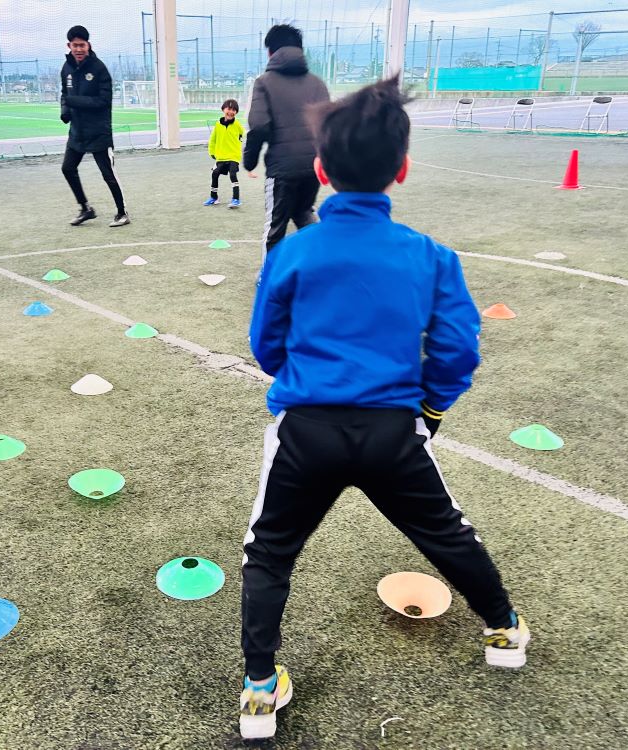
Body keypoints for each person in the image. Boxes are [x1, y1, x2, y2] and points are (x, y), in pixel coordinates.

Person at [238, 77, 530, 741]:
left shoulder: (292, 250)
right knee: (446, 532)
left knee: (269, 553)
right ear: (402, 169)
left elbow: (265, 345)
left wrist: (308, 378)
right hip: (394, 432)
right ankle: (504, 631)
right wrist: (431, 407)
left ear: (320, 170)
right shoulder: (431, 256)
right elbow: (457, 348)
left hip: (305, 432)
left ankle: (259, 691)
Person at [242, 24, 329, 262]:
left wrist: (249, 161)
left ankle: (270, 276)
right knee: (304, 212)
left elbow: (259, 126)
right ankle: (322, 266)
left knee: (276, 225)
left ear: (271, 52)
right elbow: (328, 125)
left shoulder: (264, 82)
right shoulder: (317, 83)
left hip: (282, 168)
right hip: (313, 166)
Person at [59, 25, 129, 227]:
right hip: (77, 132)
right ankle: (85, 209)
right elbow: (65, 94)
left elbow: (103, 101)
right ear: (69, 46)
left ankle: (122, 213)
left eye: (82, 45)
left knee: (108, 174)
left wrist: (74, 102)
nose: (78, 49)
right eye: (75, 45)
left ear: (88, 45)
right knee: (67, 168)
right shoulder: (66, 68)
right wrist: (65, 110)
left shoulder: (99, 69)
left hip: (99, 132)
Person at [204, 99, 246, 208]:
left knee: (233, 174)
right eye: (229, 109)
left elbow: (243, 134)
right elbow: (212, 140)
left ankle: (236, 199)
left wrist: (239, 142)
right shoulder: (218, 125)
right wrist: (212, 152)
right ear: (223, 109)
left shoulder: (237, 124)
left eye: (234, 110)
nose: (231, 112)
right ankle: (214, 197)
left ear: (236, 112)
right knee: (215, 174)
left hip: (233, 156)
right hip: (221, 157)